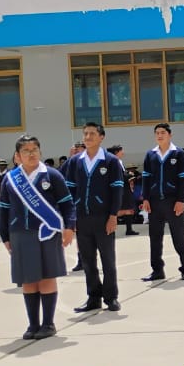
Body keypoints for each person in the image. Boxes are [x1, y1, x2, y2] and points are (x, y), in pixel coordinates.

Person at [0, 135, 76, 340]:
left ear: (40, 152)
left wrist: (69, 227)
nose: (31, 154)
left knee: (47, 277)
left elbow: (67, 204)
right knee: (28, 280)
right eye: (26, 150)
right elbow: (4, 210)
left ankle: (48, 324)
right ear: (18, 155)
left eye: (34, 149)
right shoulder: (11, 179)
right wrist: (5, 236)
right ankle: (33, 324)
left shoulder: (52, 175)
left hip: (47, 233)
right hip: (19, 234)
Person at [64, 123, 125, 313]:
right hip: (82, 218)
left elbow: (117, 190)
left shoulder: (110, 161)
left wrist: (113, 215)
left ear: (101, 137)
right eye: (85, 134)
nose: (88, 137)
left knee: (108, 260)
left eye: (92, 133)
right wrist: (70, 219)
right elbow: (69, 191)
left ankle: (111, 297)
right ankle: (93, 297)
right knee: (88, 261)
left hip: (103, 218)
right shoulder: (75, 162)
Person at [140, 124, 184, 282]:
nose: (160, 135)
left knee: (179, 236)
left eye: (163, 132)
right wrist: (146, 199)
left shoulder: (179, 153)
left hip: (172, 201)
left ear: (170, 135)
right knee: (155, 237)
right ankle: (157, 270)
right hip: (155, 201)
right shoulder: (151, 154)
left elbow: (183, 178)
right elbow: (146, 178)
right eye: (157, 133)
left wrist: (180, 200)